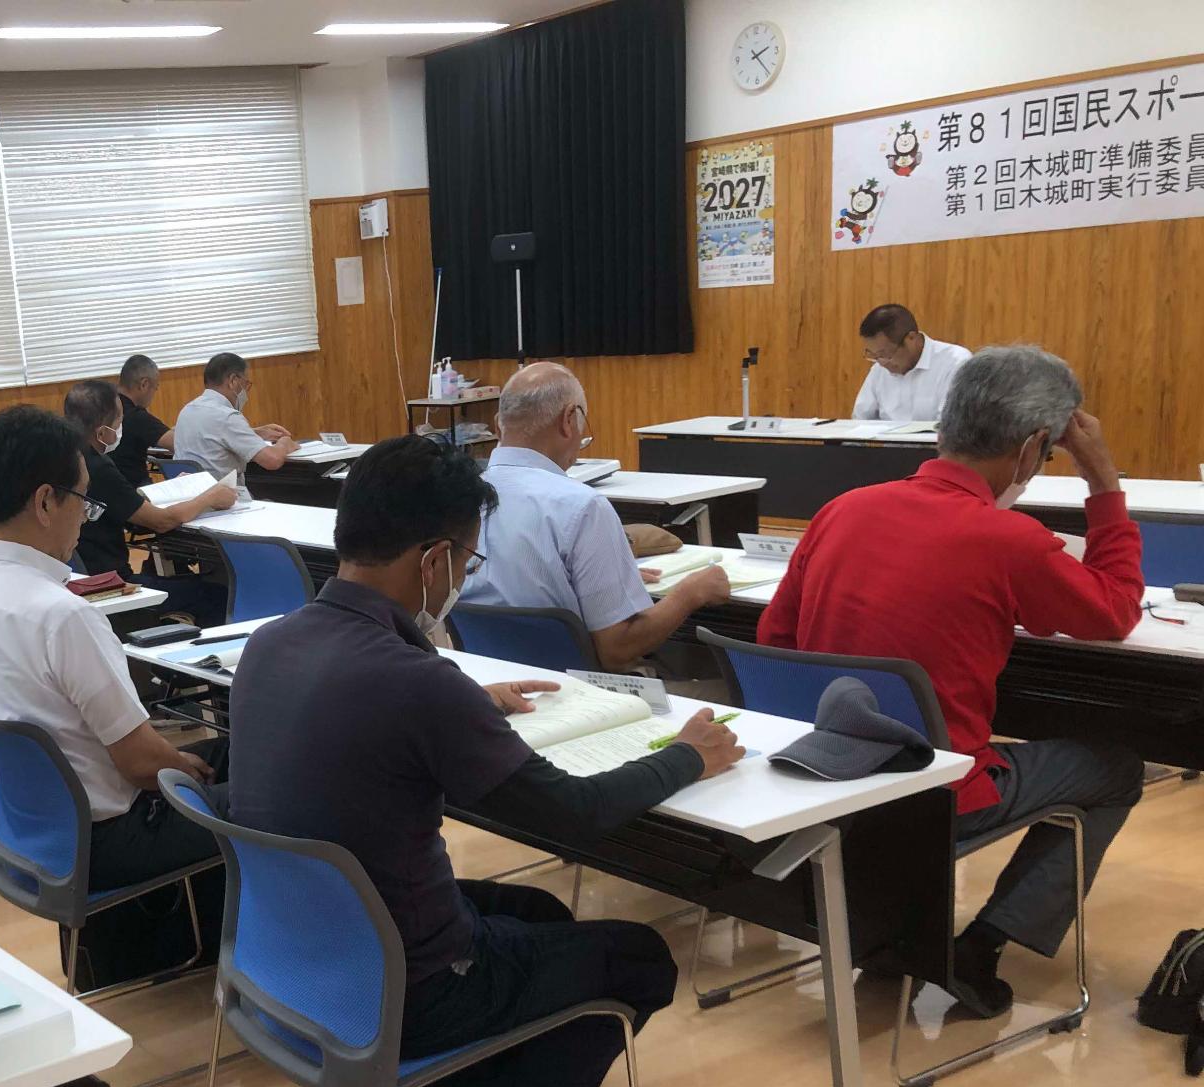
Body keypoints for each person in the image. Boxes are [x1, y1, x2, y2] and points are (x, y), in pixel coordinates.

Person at [230, 436, 741, 1087]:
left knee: (540, 915)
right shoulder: (417, 682)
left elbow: (370, 729)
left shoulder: (273, 642)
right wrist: (686, 756)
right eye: (468, 560)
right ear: (434, 559)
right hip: (407, 987)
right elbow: (572, 814)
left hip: (298, 954)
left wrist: (469, 706)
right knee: (639, 957)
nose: (464, 577)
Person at [761, 345, 1144, 1016]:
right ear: (1032, 448)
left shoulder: (842, 510)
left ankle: (892, 927)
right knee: (1116, 769)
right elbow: (1114, 612)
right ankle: (982, 945)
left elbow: (776, 644)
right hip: (932, 795)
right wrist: (1103, 482)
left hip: (823, 778)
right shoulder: (1010, 539)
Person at [0, 406, 226, 956]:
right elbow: (141, 764)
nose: (85, 517)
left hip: (30, 829)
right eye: (82, 499)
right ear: (45, 502)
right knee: (266, 791)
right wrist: (190, 769)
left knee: (226, 755)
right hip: (106, 840)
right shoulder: (63, 615)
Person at [466, 363, 731, 668]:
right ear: (569, 420)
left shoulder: (460, 496)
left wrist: (600, 579)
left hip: (480, 681)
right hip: (571, 688)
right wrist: (690, 593)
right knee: (714, 685)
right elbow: (617, 649)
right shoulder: (582, 506)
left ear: (498, 426)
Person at [62, 379, 236, 624]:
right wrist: (209, 497)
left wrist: (170, 491)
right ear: (101, 433)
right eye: (119, 422)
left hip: (80, 582)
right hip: (114, 586)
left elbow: (122, 500)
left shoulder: (64, 456)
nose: (121, 428)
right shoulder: (96, 467)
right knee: (219, 595)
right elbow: (161, 521)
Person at [170, 353, 299, 490]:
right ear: (233, 381)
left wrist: (256, 433)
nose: (246, 391)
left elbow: (212, 436)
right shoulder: (226, 416)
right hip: (224, 497)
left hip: (190, 496)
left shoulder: (187, 410)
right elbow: (272, 460)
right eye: (246, 384)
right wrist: (284, 443)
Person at [853, 304, 971, 423]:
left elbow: (951, 426)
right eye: (873, 355)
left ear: (911, 338)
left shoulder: (955, 362)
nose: (881, 363)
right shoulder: (879, 369)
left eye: (885, 354)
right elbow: (860, 419)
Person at [112, 354, 169, 489]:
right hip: (135, 490)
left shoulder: (104, 406)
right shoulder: (135, 416)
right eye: (155, 388)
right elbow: (177, 442)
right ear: (144, 384)